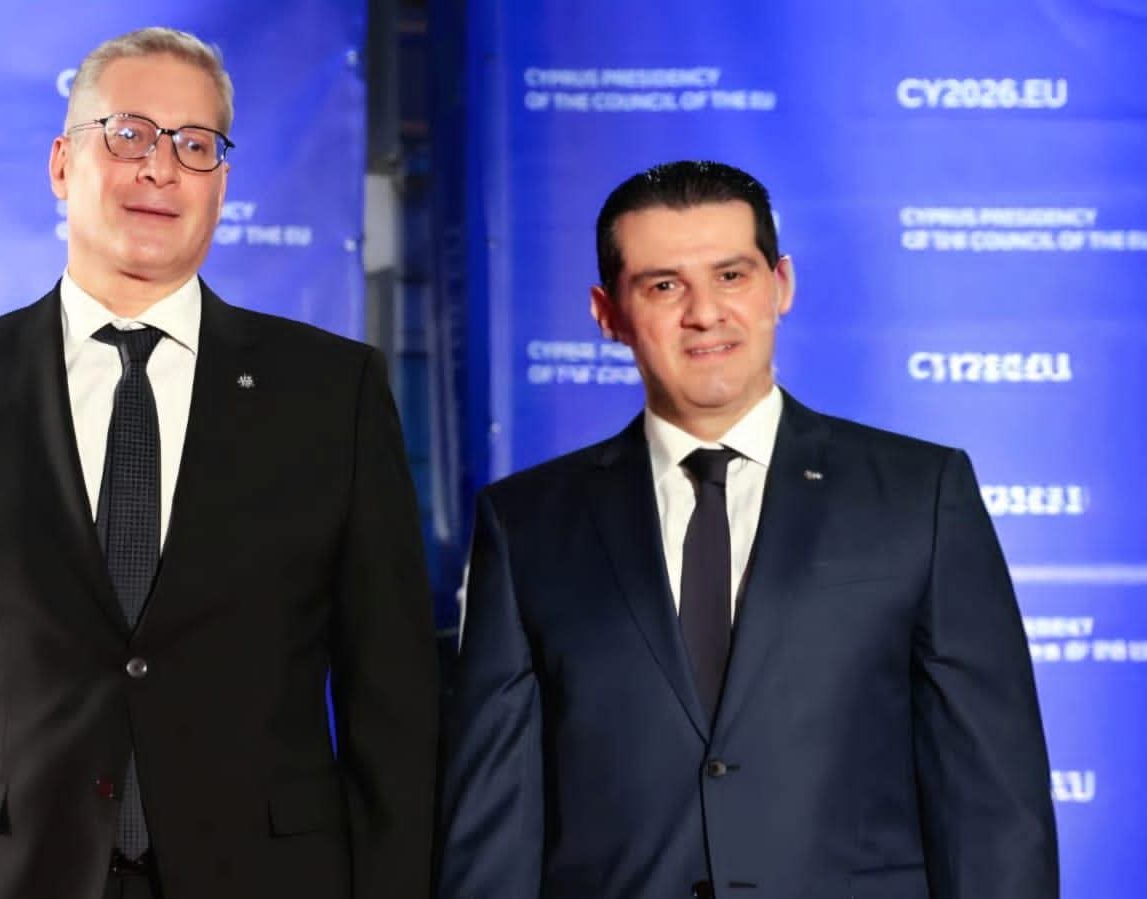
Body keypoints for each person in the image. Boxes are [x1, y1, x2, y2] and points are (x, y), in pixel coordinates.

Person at [0, 27, 437, 899]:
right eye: (129, 134)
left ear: (221, 183)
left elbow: (394, 708)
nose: (160, 169)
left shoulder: (333, 394)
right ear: (61, 163)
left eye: (195, 145)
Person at [438, 160, 1057, 899]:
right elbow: (495, 815)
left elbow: (991, 798)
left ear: (780, 285)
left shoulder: (919, 493)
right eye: (663, 286)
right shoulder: (526, 522)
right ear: (608, 313)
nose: (705, 312)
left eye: (731, 276)